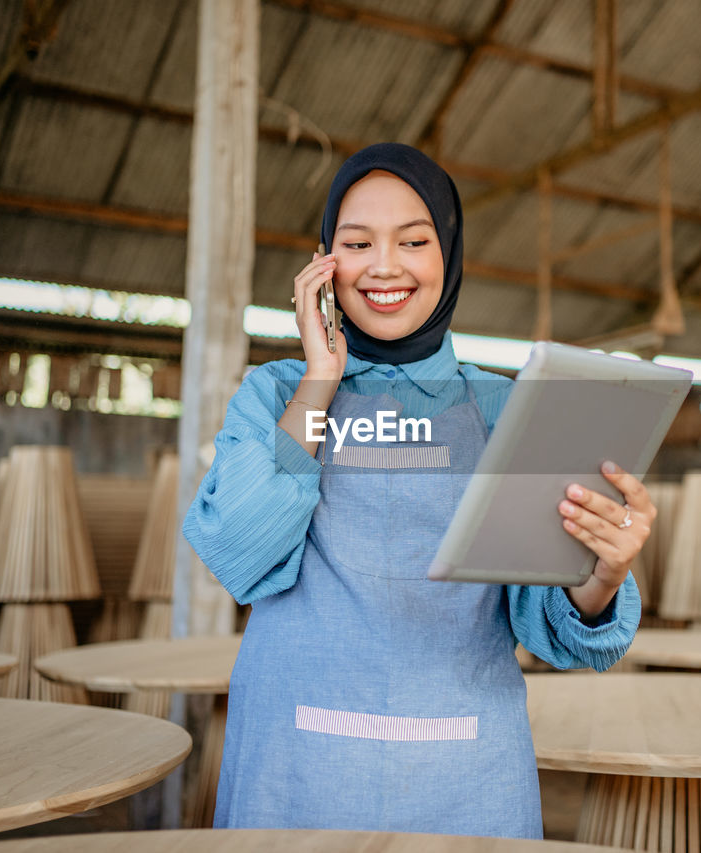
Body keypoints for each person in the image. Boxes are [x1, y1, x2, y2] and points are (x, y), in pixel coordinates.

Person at [183, 143, 653, 839]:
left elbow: (555, 619)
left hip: (467, 777)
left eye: (413, 240)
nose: (385, 266)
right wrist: (321, 378)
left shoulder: (503, 408)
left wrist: (604, 570)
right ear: (322, 262)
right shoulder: (280, 392)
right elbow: (241, 550)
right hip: (296, 768)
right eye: (357, 242)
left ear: (450, 253)